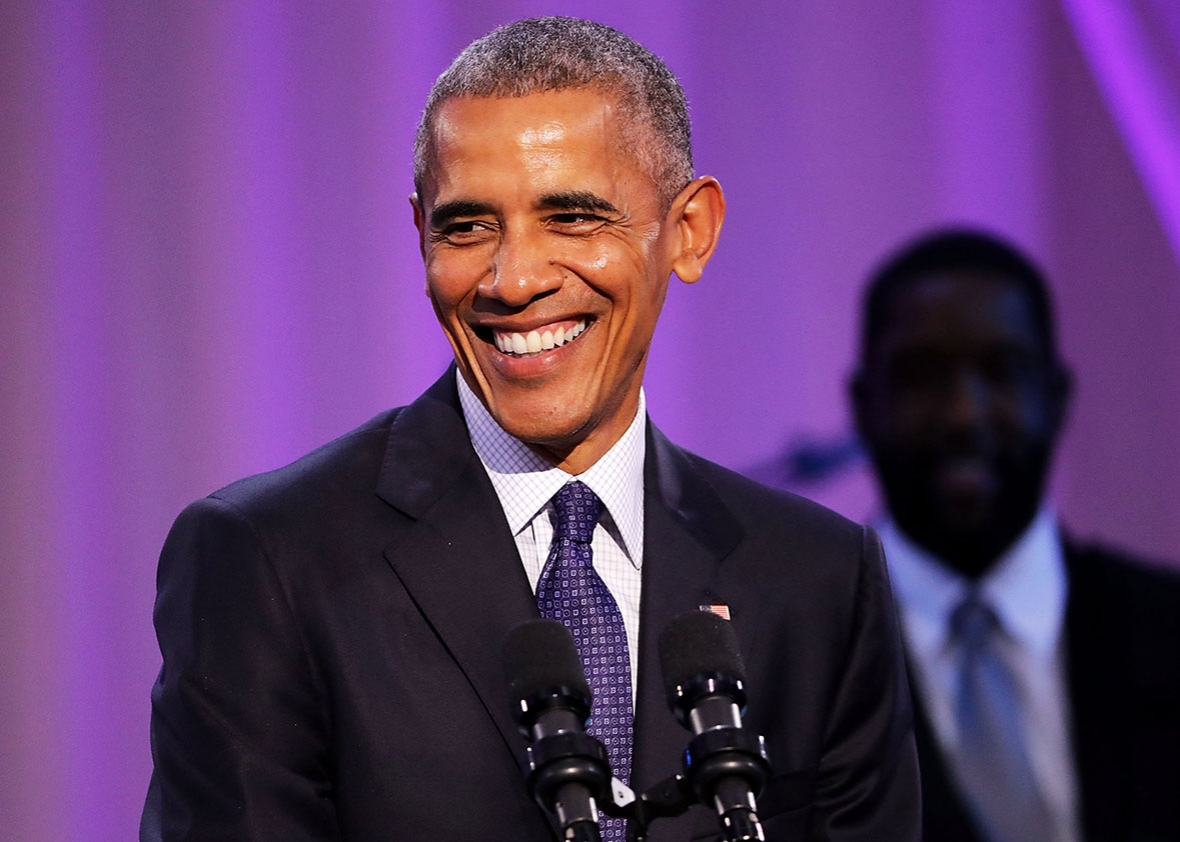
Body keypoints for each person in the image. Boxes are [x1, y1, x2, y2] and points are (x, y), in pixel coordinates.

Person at [142, 17, 919, 842]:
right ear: (420, 237)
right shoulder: (269, 563)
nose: (513, 280)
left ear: (689, 230)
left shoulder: (819, 581)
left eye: (573, 218)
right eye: (468, 227)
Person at [850, 227, 1180, 842]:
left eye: (1002, 372)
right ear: (863, 404)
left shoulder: (1168, 630)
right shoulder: (805, 652)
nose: (964, 414)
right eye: (923, 376)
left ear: (1056, 399)